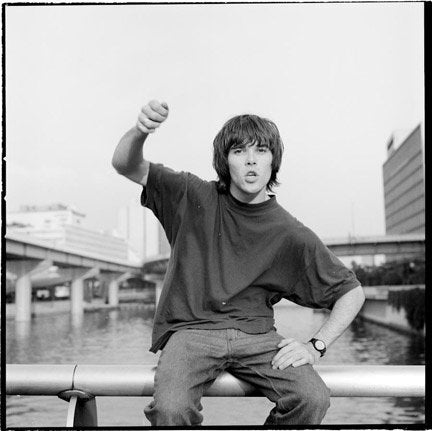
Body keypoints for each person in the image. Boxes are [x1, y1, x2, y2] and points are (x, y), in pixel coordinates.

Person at [112, 99, 365, 426]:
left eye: (261, 151)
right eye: (239, 152)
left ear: (273, 161)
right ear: (224, 161)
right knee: (171, 409)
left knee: (312, 398)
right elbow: (125, 165)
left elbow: (352, 292)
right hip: (191, 330)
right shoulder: (192, 195)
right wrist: (140, 131)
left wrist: (316, 345)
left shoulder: (289, 232)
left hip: (257, 335)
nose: (250, 161)